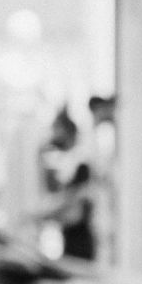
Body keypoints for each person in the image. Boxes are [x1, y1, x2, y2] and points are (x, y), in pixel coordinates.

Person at [37, 107, 95, 260]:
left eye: (56, 129)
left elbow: (72, 198)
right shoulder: (61, 159)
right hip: (67, 231)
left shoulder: (80, 161)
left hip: (78, 232)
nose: (54, 134)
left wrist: (42, 214)